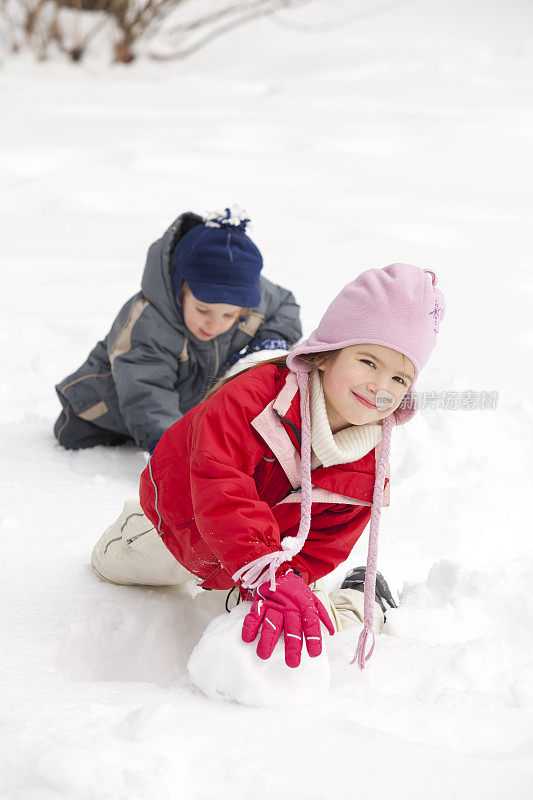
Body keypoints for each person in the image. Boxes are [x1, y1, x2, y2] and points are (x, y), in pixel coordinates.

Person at [91, 263, 445, 669]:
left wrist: (287, 583)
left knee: (309, 633)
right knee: (110, 566)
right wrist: (266, 572)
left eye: (400, 379)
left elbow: (325, 543)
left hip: (266, 564)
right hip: (179, 530)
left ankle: (360, 599)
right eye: (368, 362)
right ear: (327, 354)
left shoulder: (367, 467)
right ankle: (133, 526)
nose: (381, 387)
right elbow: (218, 479)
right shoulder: (255, 399)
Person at [53, 207, 302, 453]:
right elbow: (147, 393)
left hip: (181, 405)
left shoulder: (251, 294)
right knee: (76, 435)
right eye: (203, 310)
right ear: (179, 288)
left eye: (229, 315)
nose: (214, 324)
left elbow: (283, 304)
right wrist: (178, 452)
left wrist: (270, 343)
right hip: (104, 407)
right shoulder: (149, 323)